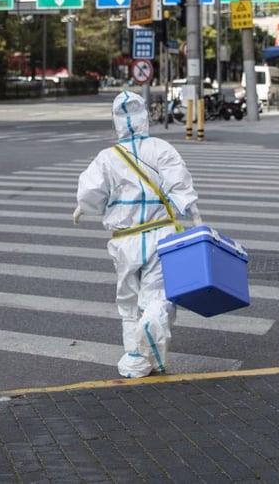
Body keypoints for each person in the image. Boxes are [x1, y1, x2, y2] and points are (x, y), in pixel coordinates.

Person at [73, 90, 202, 378]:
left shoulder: (107, 158)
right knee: (157, 296)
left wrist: (81, 209)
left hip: (126, 239)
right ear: (145, 116)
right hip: (162, 235)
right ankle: (152, 333)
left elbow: (90, 194)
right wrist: (194, 215)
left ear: (116, 121)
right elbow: (180, 185)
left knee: (128, 302)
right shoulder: (161, 148)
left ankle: (136, 357)